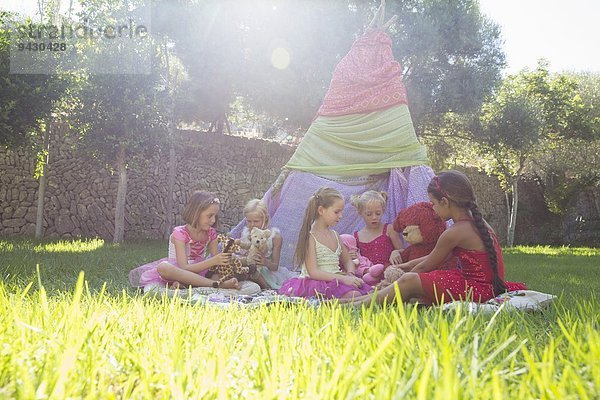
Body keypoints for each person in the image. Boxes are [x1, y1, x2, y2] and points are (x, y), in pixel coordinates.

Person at [340, 170, 527, 305]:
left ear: (445, 202)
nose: (433, 209)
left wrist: (400, 277)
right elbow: (435, 257)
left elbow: (425, 266)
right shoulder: (476, 223)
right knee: (417, 278)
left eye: (434, 204)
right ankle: (358, 300)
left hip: (477, 290)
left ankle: (357, 304)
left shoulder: (455, 232)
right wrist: (403, 265)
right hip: (481, 284)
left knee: (409, 280)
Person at [128, 190, 240, 290]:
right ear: (195, 213)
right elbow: (184, 267)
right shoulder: (180, 233)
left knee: (218, 273)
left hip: (199, 271)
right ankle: (215, 284)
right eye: (209, 216)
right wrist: (214, 260)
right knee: (163, 267)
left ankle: (187, 284)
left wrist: (224, 260)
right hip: (178, 270)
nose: (213, 220)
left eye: (215, 216)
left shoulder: (211, 233)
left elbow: (216, 264)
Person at [278, 187, 372, 298]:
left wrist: (350, 274)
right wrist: (344, 279)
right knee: (355, 295)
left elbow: (348, 261)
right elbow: (313, 272)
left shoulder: (335, 235)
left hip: (338, 280)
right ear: (321, 210)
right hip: (316, 283)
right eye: (336, 212)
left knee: (367, 292)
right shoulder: (310, 237)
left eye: (341, 212)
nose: (341, 216)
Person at [238, 199, 296, 290]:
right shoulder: (246, 233)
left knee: (253, 271)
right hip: (249, 267)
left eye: (256, 221)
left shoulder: (275, 237)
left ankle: (267, 288)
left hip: (266, 272)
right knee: (238, 264)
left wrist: (265, 262)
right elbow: (244, 254)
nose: (252, 225)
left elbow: (275, 266)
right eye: (249, 221)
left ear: (265, 219)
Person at [350, 190, 404, 283]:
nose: (374, 217)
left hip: (389, 275)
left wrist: (396, 251)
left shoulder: (388, 229)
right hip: (368, 278)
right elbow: (356, 261)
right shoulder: (356, 236)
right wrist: (350, 257)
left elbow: (404, 251)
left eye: (378, 213)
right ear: (360, 213)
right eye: (369, 214)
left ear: (383, 210)